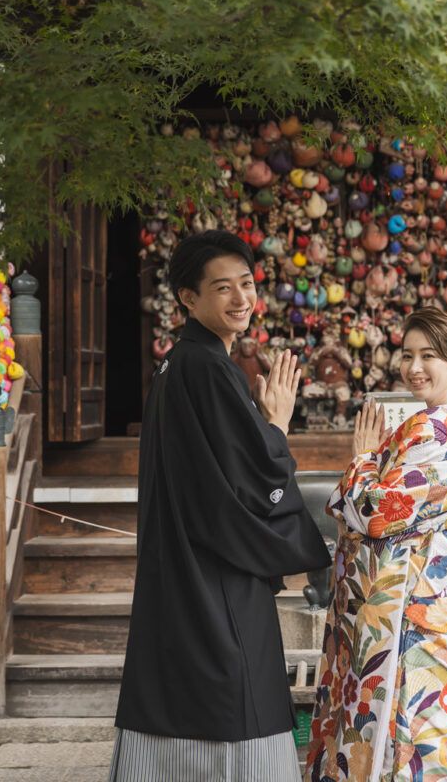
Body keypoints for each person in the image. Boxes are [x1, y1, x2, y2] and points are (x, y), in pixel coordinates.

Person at [112, 230, 331, 782]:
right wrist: (276, 425)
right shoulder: (207, 368)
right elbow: (254, 484)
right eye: (222, 288)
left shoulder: (181, 365)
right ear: (187, 298)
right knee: (238, 699)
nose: (240, 300)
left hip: (180, 573)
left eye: (247, 284)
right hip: (215, 578)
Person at [305, 308, 447, 781]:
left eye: (430, 355)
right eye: (407, 355)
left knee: (403, 750)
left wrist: (364, 462)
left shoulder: (435, 434)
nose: (414, 367)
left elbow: (370, 512)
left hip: (412, 629)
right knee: (443, 750)